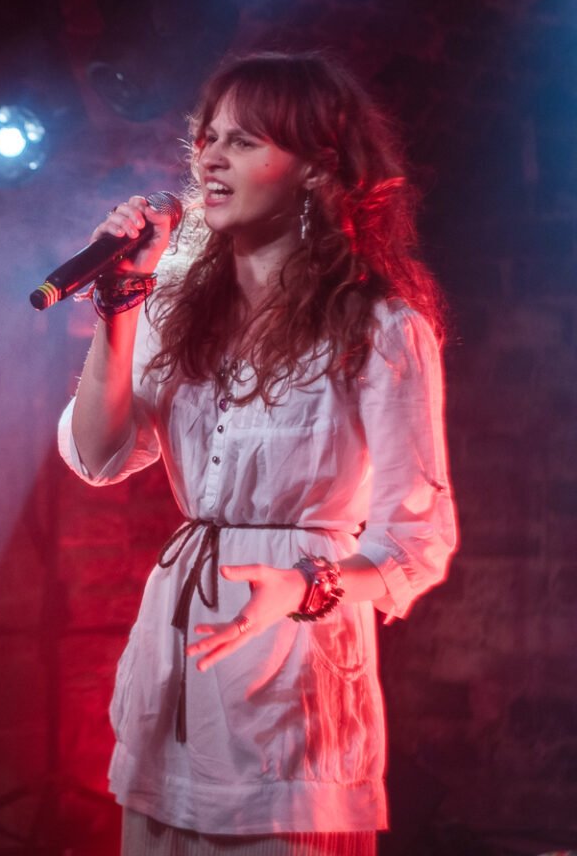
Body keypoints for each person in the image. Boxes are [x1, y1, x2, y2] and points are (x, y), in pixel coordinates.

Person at [58, 52, 457, 853]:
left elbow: (419, 541)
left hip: (291, 660)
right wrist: (121, 305)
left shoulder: (380, 328)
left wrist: (306, 586)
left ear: (316, 167)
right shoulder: (176, 307)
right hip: (177, 653)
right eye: (207, 138)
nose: (210, 158)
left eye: (243, 141)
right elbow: (98, 456)